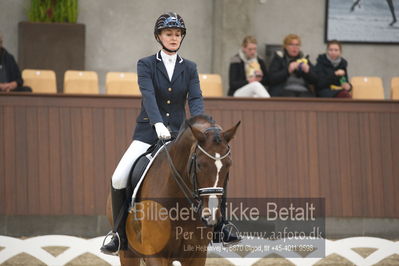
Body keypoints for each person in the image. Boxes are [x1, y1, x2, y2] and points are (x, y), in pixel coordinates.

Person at [100, 12, 239, 255]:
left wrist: (202, 127)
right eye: (168, 34)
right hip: (147, 133)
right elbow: (148, 95)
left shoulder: (190, 68)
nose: (173, 38)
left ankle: (221, 227)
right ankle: (119, 235)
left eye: (177, 34)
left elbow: (195, 98)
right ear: (159, 36)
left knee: (212, 170)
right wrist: (156, 124)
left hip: (181, 134)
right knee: (118, 177)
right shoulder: (146, 64)